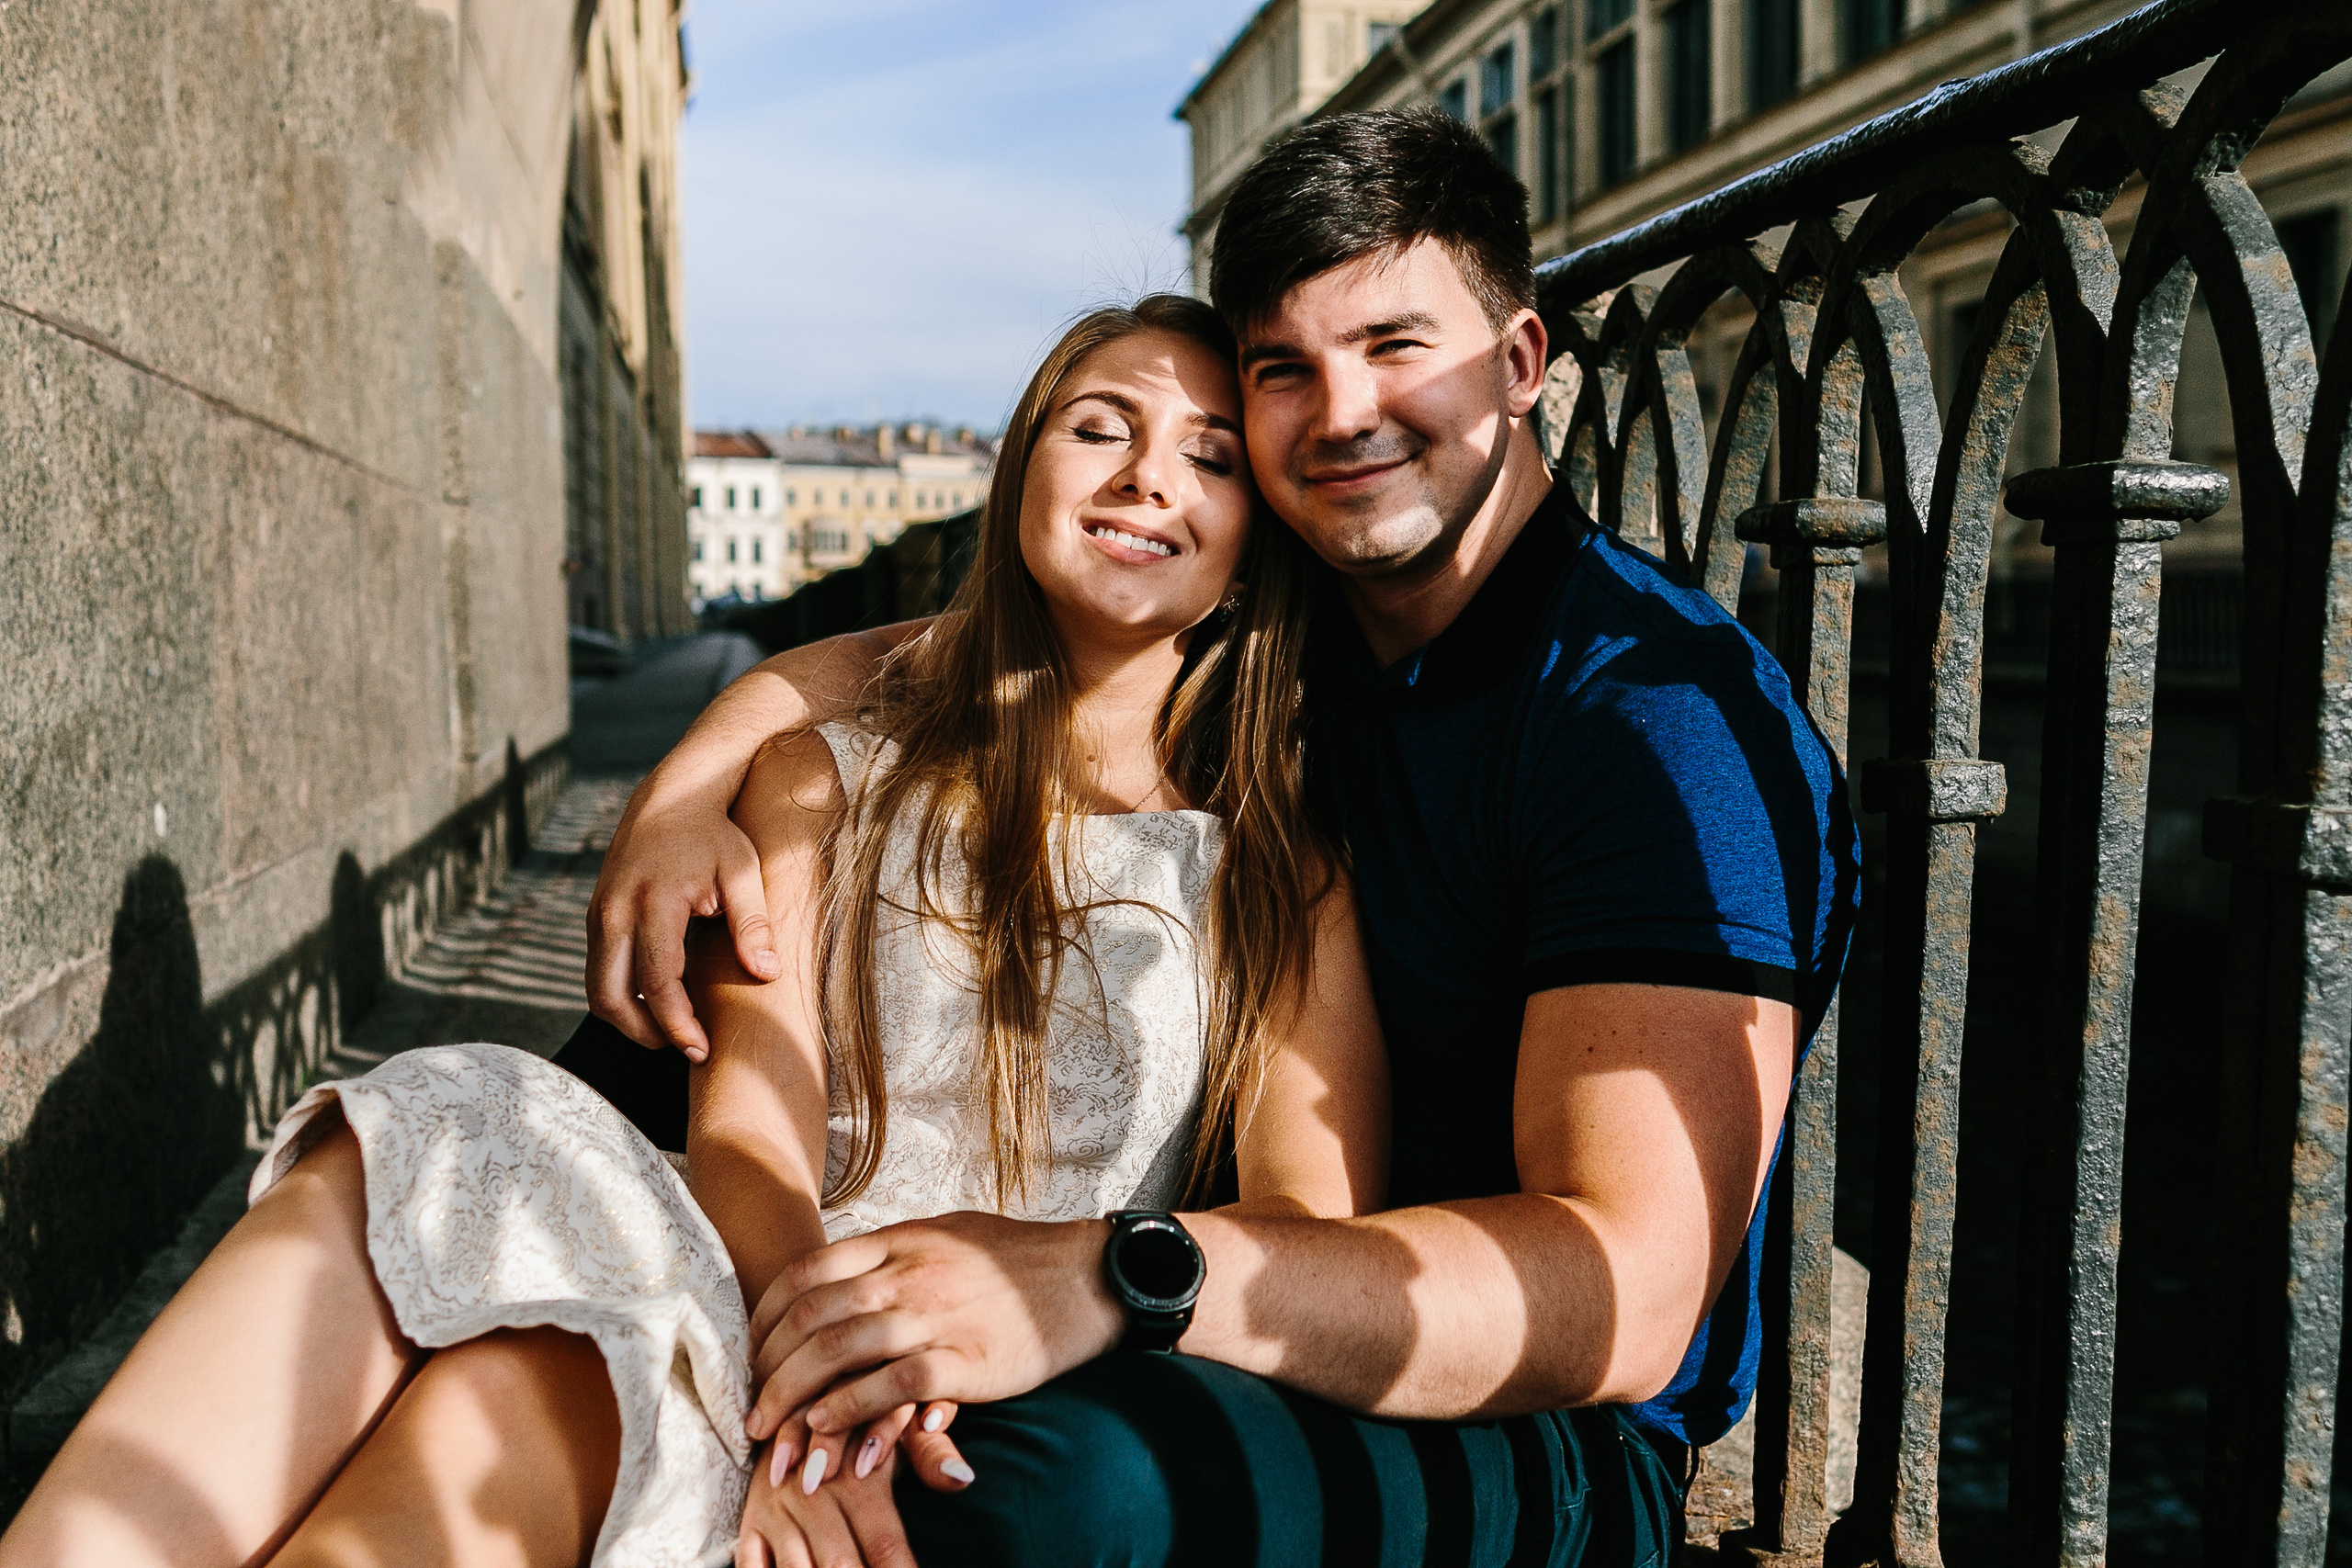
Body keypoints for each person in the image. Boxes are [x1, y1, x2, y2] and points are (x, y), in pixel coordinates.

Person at [579, 107, 1861, 1567]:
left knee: (1020, 1484)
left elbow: (1626, 1299)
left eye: (1397, 347)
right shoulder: (1288, 621)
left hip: (1531, 1421)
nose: (1341, 414)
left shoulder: (1656, 729)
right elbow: (931, 657)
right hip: (1240, 1277)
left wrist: (1126, 1274)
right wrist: (689, 788)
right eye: (1283, 372)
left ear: (1518, 365)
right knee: (598, 1113)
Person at [0, 295, 1389, 1568]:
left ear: (1255, 534)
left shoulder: (1276, 866)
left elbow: (1300, 1225)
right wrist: (815, 1387)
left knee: (514, 1390)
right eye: (1100, 428)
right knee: (444, 1138)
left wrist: (909, 1377)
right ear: (1022, 464)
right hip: (758, 1289)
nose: (1149, 475)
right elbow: (748, 1137)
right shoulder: (820, 774)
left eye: (1211, 457)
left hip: (1009, 1365)